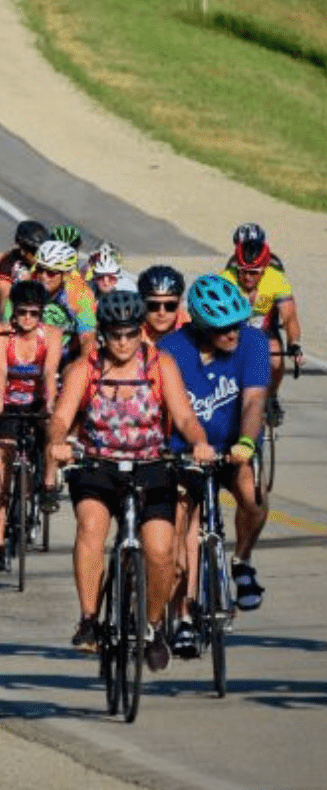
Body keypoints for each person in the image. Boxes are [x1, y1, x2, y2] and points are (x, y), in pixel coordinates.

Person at [45, 290, 214, 672]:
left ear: (141, 331)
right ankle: (89, 618)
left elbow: (184, 417)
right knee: (91, 527)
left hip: (151, 464)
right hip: (98, 463)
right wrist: (58, 442)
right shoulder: (85, 367)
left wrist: (198, 442)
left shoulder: (160, 364)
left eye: (130, 334)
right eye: (114, 334)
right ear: (103, 333)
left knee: (161, 550)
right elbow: (62, 417)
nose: (122, 342)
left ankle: (153, 625)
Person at [158, 275, 271, 653]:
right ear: (202, 326)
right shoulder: (171, 349)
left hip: (232, 447)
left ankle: (242, 560)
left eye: (237, 323)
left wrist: (246, 442)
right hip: (184, 450)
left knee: (253, 498)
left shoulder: (253, 342)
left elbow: (253, 401)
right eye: (223, 328)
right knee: (180, 529)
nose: (232, 333)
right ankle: (183, 616)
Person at [0, 280, 61, 572]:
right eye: (21, 312)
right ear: (13, 312)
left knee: (53, 432)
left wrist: (50, 405)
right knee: (1, 473)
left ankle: (48, 484)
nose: (27, 318)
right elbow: (1, 371)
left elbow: (49, 373)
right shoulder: (1, 333)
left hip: (38, 402)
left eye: (33, 313)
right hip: (8, 402)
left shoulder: (51, 335)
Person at [220, 236, 302, 425]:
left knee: (276, 357)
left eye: (254, 272)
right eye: (243, 271)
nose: (247, 277)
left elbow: (289, 317)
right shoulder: (226, 279)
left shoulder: (277, 280)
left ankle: (271, 396)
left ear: (265, 269)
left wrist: (294, 344)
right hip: (233, 330)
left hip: (264, 329)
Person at [30, 239, 96, 362]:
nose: (43, 276)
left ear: (65, 274)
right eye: (40, 269)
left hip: (66, 355)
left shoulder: (79, 293)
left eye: (51, 272)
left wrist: (82, 366)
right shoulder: (30, 280)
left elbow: (87, 339)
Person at [0, 220, 49, 322]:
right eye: (35, 252)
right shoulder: (7, 263)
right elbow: (4, 301)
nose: (41, 256)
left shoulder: (48, 262)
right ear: (23, 250)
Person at [138, 265, 191, 345]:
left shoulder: (191, 335)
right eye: (153, 306)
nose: (161, 313)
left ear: (180, 304)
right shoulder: (130, 331)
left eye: (170, 306)